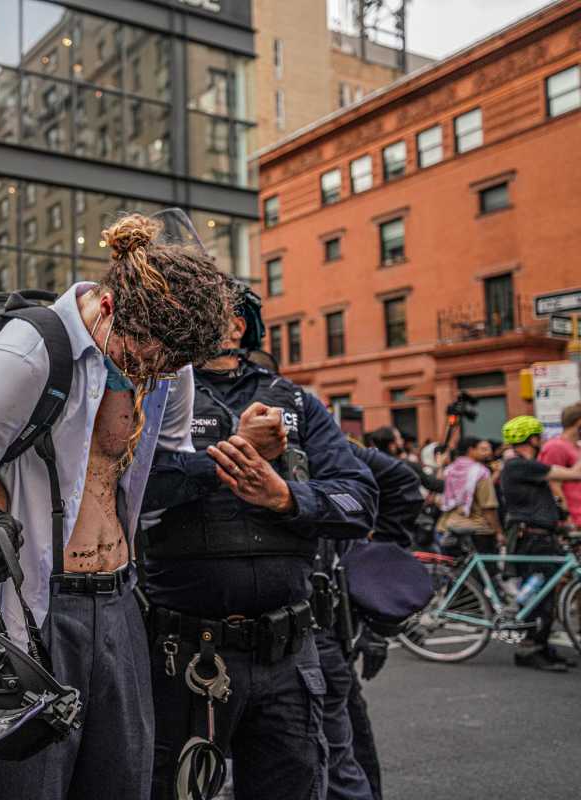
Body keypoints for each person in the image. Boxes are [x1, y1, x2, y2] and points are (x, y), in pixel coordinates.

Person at [0, 211, 232, 800]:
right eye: (145, 356)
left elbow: (167, 466)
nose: (156, 373)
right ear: (108, 308)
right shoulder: (27, 355)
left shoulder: (170, 365)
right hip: (28, 608)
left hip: (118, 601)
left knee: (123, 782)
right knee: (24, 786)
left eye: (172, 364)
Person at [140, 278, 379, 800]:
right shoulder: (154, 394)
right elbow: (130, 490)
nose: (188, 317)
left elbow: (360, 502)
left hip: (288, 657)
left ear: (237, 325)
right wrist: (228, 455)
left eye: (205, 309)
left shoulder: (298, 403)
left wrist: (284, 497)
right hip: (181, 653)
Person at [316, 441, 423, 800]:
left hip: (324, 626)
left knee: (343, 761)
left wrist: (372, 574)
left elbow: (400, 483)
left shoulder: (310, 429)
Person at [498, 415, 581, 671]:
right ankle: (530, 649)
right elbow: (574, 474)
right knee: (538, 597)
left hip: (538, 537)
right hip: (533, 539)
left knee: (545, 595)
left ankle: (542, 646)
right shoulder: (519, 465)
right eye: (539, 436)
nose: (542, 440)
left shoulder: (524, 466)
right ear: (532, 438)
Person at [438, 437, 503, 582]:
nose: (488, 453)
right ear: (471, 450)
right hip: (478, 531)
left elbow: (441, 498)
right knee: (486, 576)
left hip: (451, 528)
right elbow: (488, 507)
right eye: (482, 449)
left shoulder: (449, 470)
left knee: (458, 576)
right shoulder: (480, 472)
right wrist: (498, 532)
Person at [538, 402, 581, 525]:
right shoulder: (555, 446)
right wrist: (566, 517)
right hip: (573, 520)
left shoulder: (577, 447)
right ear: (579, 422)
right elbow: (553, 484)